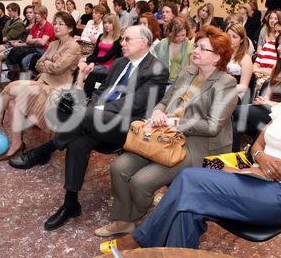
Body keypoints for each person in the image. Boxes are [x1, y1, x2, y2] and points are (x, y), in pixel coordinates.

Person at [101, 44, 281, 253]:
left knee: (189, 180)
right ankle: (170, 252)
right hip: (258, 180)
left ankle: (138, 240)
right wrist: (261, 159)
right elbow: (257, 146)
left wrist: (259, 161)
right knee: (187, 209)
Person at [7, 26, 170, 232]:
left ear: (143, 42)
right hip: (96, 121)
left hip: (128, 127)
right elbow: (101, 91)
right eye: (123, 39)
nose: (122, 43)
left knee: (78, 115)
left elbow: (137, 103)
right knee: (77, 142)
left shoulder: (157, 69)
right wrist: (93, 110)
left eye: (127, 39)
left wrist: (95, 112)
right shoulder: (120, 63)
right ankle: (70, 203)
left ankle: (45, 150)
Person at [94, 26, 238, 238]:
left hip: (195, 145)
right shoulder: (188, 71)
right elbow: (164, 100)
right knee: (119, 168)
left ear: (217, 57)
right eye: (196, 45)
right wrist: (158, 112)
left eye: (202, 48)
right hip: (163, 135)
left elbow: (212, 126)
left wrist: (174, 122)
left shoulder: (226, 83)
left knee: (141, 182)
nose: (195, 50)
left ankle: (136, 219)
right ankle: (124, 221)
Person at [0, 12, 81, 159]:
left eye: (61, 24)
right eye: (55, 23)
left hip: (56, 89)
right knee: (12, 99)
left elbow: (57, 68)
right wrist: (48, 64)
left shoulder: (73, 47)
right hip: (41, 82)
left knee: (13, 91)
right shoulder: (54, 44)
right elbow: (38, 64)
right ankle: (16, 143)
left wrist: (47, 64)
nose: (56, 26)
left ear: (71, 29)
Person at [232, 30, 281, 151]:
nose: (279, 48)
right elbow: (268, 93)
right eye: (278, 44)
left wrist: (267, 103)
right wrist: (264, 100)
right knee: (234, 126)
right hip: (267, 109)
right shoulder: (278, 65)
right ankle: (234, 159)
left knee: (235, 110)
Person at [81, 14, 123, 97]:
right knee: (79, 66)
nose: (106, 25)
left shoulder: (118, 39)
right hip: (97, 62)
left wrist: (87, 59)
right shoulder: (101, 36)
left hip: (108, 66)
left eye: (110, 23)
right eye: (105, 22)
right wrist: (92, 62)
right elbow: (95, 53)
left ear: (114, 24)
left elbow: (105, 58)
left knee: (88, 71)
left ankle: (84, 94)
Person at [6, 5, 55, 72]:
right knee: (13, 55)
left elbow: (42, 43)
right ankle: (16, 76)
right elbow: (28, 40)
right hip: (34, 49)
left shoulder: (48, 26)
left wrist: (34, 41)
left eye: (39, 14)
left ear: (45, 15)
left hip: (44, 51)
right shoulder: (35, 26)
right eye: (35, 13)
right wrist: (37, 39)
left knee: (24, 61)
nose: (36, 16)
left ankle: (29, 78)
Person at [0, 3, 27, 84]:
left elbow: (10, 36)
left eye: (10, 11)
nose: (8, 13)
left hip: (15, 44)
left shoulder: (19, 23)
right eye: (8, 11)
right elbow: (3, 32)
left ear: (16, 11)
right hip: (8, 42)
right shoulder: (9, 21)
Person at [152, 17, 194, 84]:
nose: (180, 38)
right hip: (160, 81)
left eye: (183, 35)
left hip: (179, 83)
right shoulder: (162, 44)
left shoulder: (189, 46)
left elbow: (192, 69)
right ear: (170, 33)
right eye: (177, 36)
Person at [226, 23, 253, 99]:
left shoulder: (246, 59)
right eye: (228, 36)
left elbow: (244, 86)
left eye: (234, 37)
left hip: (236, 94)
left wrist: (226, 89)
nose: (230, 39)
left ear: (241, 40)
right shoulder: (222, 54)